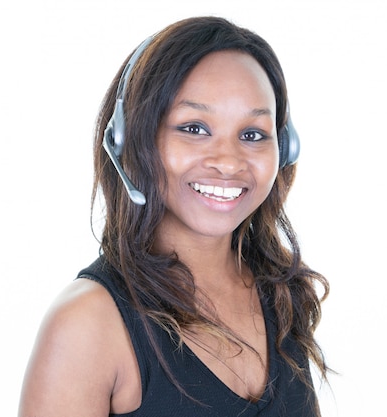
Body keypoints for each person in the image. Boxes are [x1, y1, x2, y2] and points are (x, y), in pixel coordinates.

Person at [18, 16, 329, 417]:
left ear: (284, 149)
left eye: (252, 134)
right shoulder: (89, 324)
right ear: (130, 138)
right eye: (194, 128)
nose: (228, 161)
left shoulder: (282, 294)